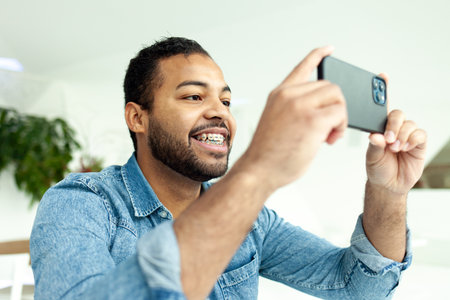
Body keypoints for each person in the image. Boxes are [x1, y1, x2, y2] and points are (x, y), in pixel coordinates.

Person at [30, 37, 427, 300]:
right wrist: (257, 169)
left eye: (225, 100)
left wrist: (388, 191)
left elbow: (359, 286)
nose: (219, 113)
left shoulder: (254, 222)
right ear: (137, 117)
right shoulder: (82, 204)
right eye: (193, 96)